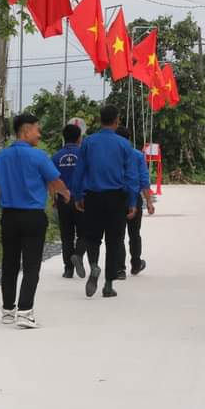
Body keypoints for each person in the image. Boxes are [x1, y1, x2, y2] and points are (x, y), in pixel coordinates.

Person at [0, 113, 70, 328]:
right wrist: (65, 193)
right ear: (26, 131)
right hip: (33, 218)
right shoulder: (39, 157)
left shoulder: (0, 157)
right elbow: (55, 180)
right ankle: (26, 311)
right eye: (37, 129)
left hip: (9, 217)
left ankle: (8, 310)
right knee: (31, 265)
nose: (39, 134)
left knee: (9, 263)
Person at [71, 105, 138, 299]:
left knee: (93, 237)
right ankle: (108, 285)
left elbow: (79, 171)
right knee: (114, 241)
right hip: (117, 198)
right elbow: (131, 176)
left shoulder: (89, 142)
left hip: (93, 196)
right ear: (117, 121)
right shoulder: (125, 145)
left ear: (100, 120)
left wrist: (78, 195)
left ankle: (93, 266)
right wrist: (132, 201)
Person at [116, 126, 155, 278]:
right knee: (134, 233)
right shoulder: (138, 155)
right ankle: (136, 264)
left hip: (116, 197)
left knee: (117, 235)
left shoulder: (112, 155)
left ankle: (120, 269)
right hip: (133, 197)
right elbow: (144, 181)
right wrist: (149, 202)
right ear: (129, 138)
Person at [52, 123, 85, 278]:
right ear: (79, 138)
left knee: (66, 235)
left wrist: (54, 198)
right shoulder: (84, 154)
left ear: (64, 138)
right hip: (81, 199)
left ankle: (68, 269)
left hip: (62, 199)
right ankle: (78, 255)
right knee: (84, 233)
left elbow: (52, 179)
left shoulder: (56, 156)